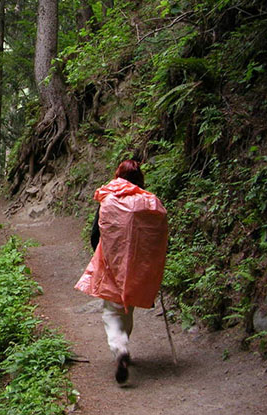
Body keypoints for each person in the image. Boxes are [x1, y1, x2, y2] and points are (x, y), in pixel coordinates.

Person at [75, 159, 168, 384]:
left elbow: (95, 234)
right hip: (139, 266)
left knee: (111, 311)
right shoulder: (150, 203)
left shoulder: (109, 199)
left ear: (118, 175)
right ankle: (124, 346)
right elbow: (160, 236)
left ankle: (120, 347)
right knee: (128, 307)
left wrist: (101, 254)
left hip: (112, 263)